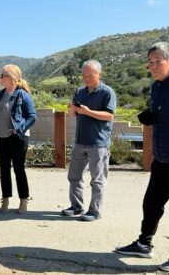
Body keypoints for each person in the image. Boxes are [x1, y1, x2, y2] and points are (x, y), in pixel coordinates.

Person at [115, 42, 169, 272]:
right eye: (150, 62)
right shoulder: (157, 86)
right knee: (151, 204)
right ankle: (143, 244)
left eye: (158, 61)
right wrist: (151, 116)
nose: (153, 66)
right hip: (163, 158)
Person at [61, 59, 116, 221]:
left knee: (97, 180)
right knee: (74, 176)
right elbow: (74, 115)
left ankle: (94, 211)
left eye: (90, 76)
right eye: (84, 75)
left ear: (100, 74)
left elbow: (109, 115)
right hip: (80, 141)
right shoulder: (79, 91)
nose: (86, 79)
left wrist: (87, 111)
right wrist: (72, 110)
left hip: (98, 143)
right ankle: (76, 206)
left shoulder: (107, 92)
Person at [0, 64, 36, 214]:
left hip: (18, 138)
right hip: (2, 137)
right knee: (4, 170)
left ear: (12, 78)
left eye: (3, 75)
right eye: (1, 75)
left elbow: (32, 116)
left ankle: (23, 200)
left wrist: (20, 129)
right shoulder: (0, 95)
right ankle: (6, 199)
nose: (0, 78)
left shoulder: (22, 95)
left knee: (18, 169)